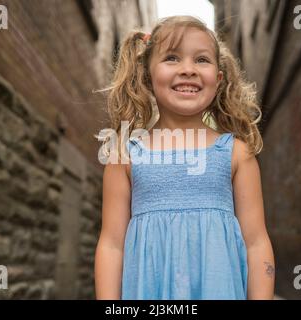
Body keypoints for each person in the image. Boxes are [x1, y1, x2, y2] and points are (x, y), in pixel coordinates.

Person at [94, 15, 275, 300]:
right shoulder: (125, 154)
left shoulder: (236, 153)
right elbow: (111, 244)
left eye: (202, 60)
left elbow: (256, 242)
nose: (188, 69)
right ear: (147, 76)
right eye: (172, 58)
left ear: (218, 79)